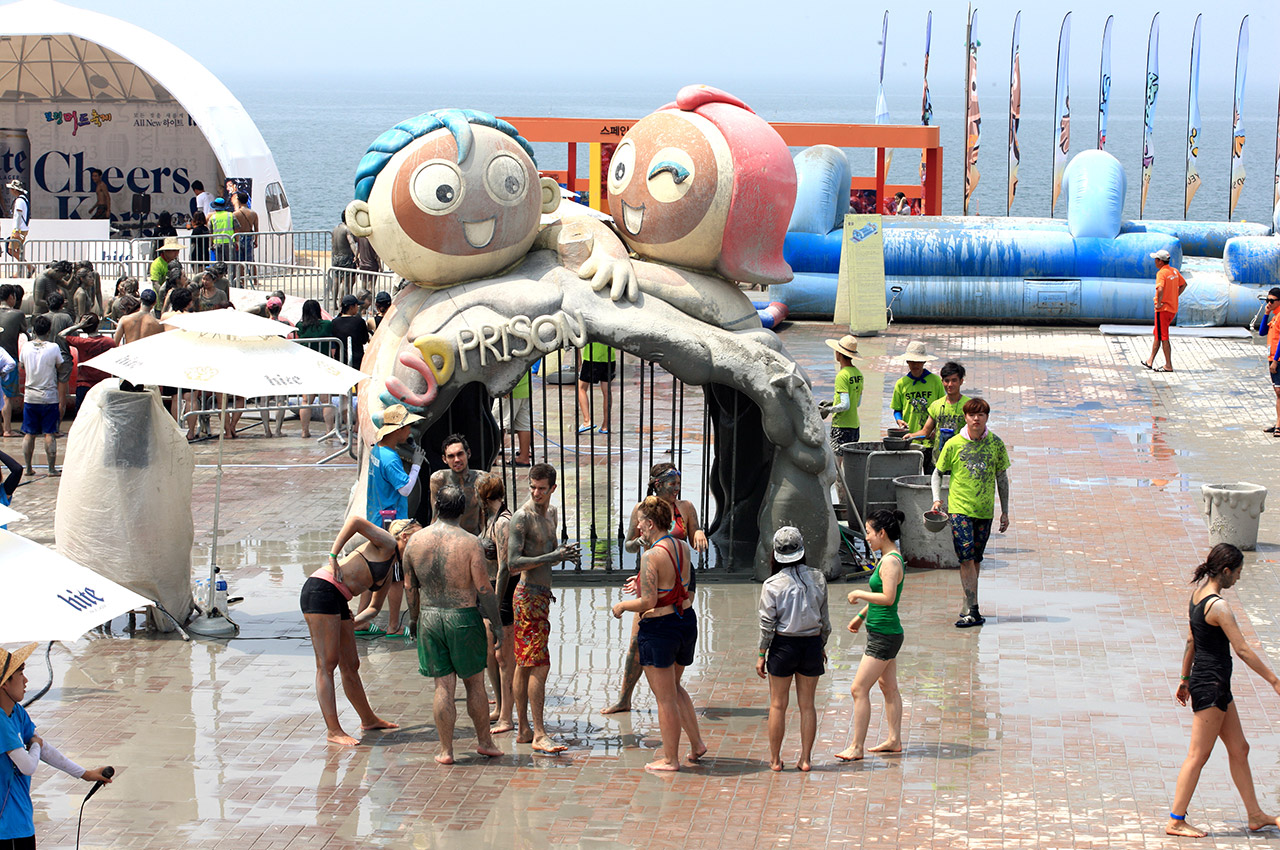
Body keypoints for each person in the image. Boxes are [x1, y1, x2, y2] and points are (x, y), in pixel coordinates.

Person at [1166, 544, 1280, 837]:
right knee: (1198, 755)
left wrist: (1184, 678)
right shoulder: (1218, 606)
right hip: (1212, 687)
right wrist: (1274, 680)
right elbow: (1241, 649)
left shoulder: (1197, 597)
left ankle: (1255, 815)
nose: (1239, 579)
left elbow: (1191, 641)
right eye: (1238, 573)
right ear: (1226, 571)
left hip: (1213, 684)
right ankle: (1176, 820)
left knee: (1240, 748)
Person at [404, 485, 505, 765]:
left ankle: (446, 750)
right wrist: (496, 625)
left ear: (436, 506)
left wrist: (414, 619)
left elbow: (410, 587)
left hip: (430, 616)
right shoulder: (470, 542)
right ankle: (485, 742)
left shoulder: (415, 541)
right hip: (462, 617)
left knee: (443, 687)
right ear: (462, 510)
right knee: (474, 685)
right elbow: (484, 589)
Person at [604, 462, 708, 715]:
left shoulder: (686, 508)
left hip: (682, 575)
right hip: (654, 573)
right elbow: (628, 545)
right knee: (636, 639)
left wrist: (699, 533)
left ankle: (671, 689)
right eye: (671, 484)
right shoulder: (642, 511)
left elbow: (693, 533)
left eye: (678, 483)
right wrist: (641, 540)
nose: (676, 488)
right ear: (657, 485)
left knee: (674, 623)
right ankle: (624, 698)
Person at [610, 495, 704, 771]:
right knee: (674, 688)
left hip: (661, 629)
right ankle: (697, 744)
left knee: (664, 700)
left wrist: (622, 606)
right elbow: (676, 582)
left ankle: (670, 758)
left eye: (640, 523)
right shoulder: (681, 546)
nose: (638, 528)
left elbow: (648, 602)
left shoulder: (651, 555)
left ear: (650, 524)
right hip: (686, 621)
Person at [300, 516, 413, 746]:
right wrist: (333, 556)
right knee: (327, 663)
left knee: (351, 664)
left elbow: (373, 608)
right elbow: (355, 522)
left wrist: (352, 623)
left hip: (339, 598)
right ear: (405, 536)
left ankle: (368, 719)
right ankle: (333, 730)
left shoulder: (392, 569)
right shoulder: (387, 544)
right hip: (321, 589)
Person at [2, 642, 114, 848]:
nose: (26, 681)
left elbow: (44, 748)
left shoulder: (17, 712)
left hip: (20, 821)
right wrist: (34, 745)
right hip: (6, 828)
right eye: (20, 674)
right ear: (4, 684)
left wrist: (85, 774)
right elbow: (28, 765)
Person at [509, 463, 580, 754]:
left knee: (526, 664)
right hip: (527, 596)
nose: (536, 493)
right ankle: (538, 733)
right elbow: (513, 563)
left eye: (542, 488)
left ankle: (525, 729)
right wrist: (553, 554)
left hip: (540, 596)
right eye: (532, 487)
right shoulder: (521, 518)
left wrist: (562, 556)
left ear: (552, 489)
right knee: (538, 663)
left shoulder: (550, 513)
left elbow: (547, 556)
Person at [931, 397, 1010, 628]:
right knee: (965, 558)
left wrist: (1005, 511)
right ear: (965, 417)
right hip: (959, 510)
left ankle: (969, 599)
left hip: (985, 511)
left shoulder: (996, 444)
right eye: (972, 415)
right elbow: (937, 473)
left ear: (987, 417)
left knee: (976, 560)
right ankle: (974, 611)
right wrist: (937, 499)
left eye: (981, 415)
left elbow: (1002, 478)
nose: (976, 419)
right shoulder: (954, 443)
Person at [757, 526, 830, 772]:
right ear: (802, 550)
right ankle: (806, 759)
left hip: (783, 644)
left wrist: (761, 654)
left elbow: (767, 625)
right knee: (807, 705)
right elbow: (825, 622)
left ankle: (776, 760)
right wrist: (821, 646)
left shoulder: (771, 584)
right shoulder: (818, 577)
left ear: (775, 554)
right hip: (811, 643)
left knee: (778, 704)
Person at [837, 509, 907, 761]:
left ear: (882, 532)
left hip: (884, 635)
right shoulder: (889, 556)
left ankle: (856, 747)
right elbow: (883, 593)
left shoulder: (889, 561)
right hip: (884, 630)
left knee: (858, 688)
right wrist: (861, 615)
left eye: (868, 532)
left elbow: (887, 598)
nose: (866, 537)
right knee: (888, 686)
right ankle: (894, 740)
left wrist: (858, 593)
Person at [358, 404, 425, 639]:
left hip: (376, 518)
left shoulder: (377, 451)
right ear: (397, 430)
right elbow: (405, 489)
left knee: (374, 573)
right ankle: (394, 626)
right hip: (392, 525)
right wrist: (416, 463)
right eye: (407, 426)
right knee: (396, 578)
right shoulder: (391, 459)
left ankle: (361, 622)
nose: (409, 431)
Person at [478, 475, 516, 733]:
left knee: (504, 657)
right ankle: (499, 706)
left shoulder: (503, 523)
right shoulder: (488, 519)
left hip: (502, 592)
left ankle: (507, 716)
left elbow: (505, 567)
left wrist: (497, 600)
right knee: (491, 654)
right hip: (488, 590)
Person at [891, 340, 946, 473]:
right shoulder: (901, 384)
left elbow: (942, 409)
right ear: (907, 362)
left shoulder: (935, 381)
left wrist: (937, 430)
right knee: (909, 476)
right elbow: (897, 409)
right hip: (910, 438)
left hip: (930, 441)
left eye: (918, 361)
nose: (915, 364)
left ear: (924, 362)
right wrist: (899, 420)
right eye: (912, 361)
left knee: (930, 477)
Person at [19, 316, 63, 476]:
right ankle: (51, 469)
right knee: (49, 433)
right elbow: (59, 365)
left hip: (30, 396)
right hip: (49, 397)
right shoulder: (54, 347)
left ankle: (28, 468)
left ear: (34, 330)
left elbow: (22, 365)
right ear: (49, 330)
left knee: (29, 433)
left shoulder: (26, 347)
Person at [428, 434, 495, 538]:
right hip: (447, 538)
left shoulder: (481, 479)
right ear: (444, 459)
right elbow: (435, 516)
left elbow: (486, 518)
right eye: (451, 456)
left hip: (474, 537)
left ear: (468, 453)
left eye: (460, 454)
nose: (457, 460)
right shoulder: (439, 479)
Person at [908, 361, 969, 468]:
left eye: (954, 380)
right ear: (942, 382)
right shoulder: (936, 406)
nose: (950, 385)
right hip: (938, 462)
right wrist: (909, 436)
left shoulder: (968, 406)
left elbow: (975, 433)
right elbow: (925, 432)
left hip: (961, 462)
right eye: (947, 381)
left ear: (961, 381)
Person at [296, 300, 335, 439]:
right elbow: (333, 345)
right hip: (324, 365)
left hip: (307, 366)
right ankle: (329, 430)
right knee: (326, 400)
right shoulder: (327, 325)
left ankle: (304, 431)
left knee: (306, 401)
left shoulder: (300, 326)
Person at [1143, 248, 1188, 372]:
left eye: (1156, 259)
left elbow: (1160, 289)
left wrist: (1158, 303)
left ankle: (1168, 365)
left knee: (1164, 337)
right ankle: (1150, 360)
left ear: (1160, 261)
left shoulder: (1162, 273)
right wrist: (1174, 296)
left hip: (1163, 310)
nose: (1155, 262)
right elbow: (1184, 284)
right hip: (1172, 309)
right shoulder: (1174, 271)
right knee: (1158, 334)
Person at [61, 313, 116, 413]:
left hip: (84, 384)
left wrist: (78, 325)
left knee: (83, 415)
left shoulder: (81, 342)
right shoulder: (109, 342)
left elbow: (61, 335)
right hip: (103, 384)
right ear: (98, 325)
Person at [819, 334, 863, 452]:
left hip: (841, 426)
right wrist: (833, 402)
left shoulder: (842, 375)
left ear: (838, 354)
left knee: (837, 464)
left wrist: (827, 410)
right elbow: (856, 403)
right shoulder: (858, 374)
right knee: (850, 463)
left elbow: (845, 405)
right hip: (855, 426)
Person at [491, 367, 533, 467]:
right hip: (524, 387)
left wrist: (506, 385)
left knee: (497, 424)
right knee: (523, 424)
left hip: (510, 388)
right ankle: (524, 457)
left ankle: (492, 457)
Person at [0, 285, 26, 437]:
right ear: (11, 297)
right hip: (8, 358)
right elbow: (24, 331)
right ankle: (7, 429)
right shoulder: (17, 314)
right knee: (7, 396)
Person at [576, 342, 615, 433]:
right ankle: (606, 425)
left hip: (592, 356)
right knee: (606, 392)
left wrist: (578, 359)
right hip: (610, 357)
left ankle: (587, 421)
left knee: (581, 388)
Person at [1259, 288, 1280, 435]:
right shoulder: (1274, 316)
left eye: (1272, 301)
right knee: (1277, 392)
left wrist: (1276, 360)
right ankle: (1279, 422)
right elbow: (1261, 332)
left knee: (1279, 391)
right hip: (1271, 357)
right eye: (1267, 300)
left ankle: (1279, 425)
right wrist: (1266, 313)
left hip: (1277, 359)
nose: (1269, 303)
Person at [330, 294, 370, 369]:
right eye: (356, 306)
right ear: (351, 307)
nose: (357, 308)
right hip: (357, 360)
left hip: (340, 359)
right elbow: (364, 340)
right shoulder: (359, 321)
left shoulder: (334, 322)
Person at [330, 211, 358, 307]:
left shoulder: (335, 229)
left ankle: (334, 303)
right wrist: (356, 255)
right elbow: (352, 243)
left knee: (336, 281)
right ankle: (344, 302)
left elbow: (333, 244)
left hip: (335, 257)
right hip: (346, 258)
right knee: (346, 283)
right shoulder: (347, 230)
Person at [231, 192, 258, 277]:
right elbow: (256, 229)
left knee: (240, 260)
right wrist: (256, 240)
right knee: (251, 260)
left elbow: (234, 228)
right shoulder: (253, 213)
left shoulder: (236, 214)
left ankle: (242, 279)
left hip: (238, 237)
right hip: (249, 236)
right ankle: (255, 279)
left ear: (238, 200)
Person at [6, 179, 29, 272]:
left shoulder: (19, 200)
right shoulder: (23, 199)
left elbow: (18, 216)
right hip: (22, 228)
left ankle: (29, 267)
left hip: (19, 229)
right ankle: (21, 270)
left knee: (11, 250)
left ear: (15, 190)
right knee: (18, 251)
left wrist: (16, 231)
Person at [209, 197, 235, 266]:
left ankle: (220, 276)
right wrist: (237, 241)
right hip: (229, 242)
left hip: (217, 243)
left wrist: (211, 244)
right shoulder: (231, 215)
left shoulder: (212, 217)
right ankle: (231, 276)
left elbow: (210, 232)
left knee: (219, 265)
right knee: (231, 264)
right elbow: (237, 228)